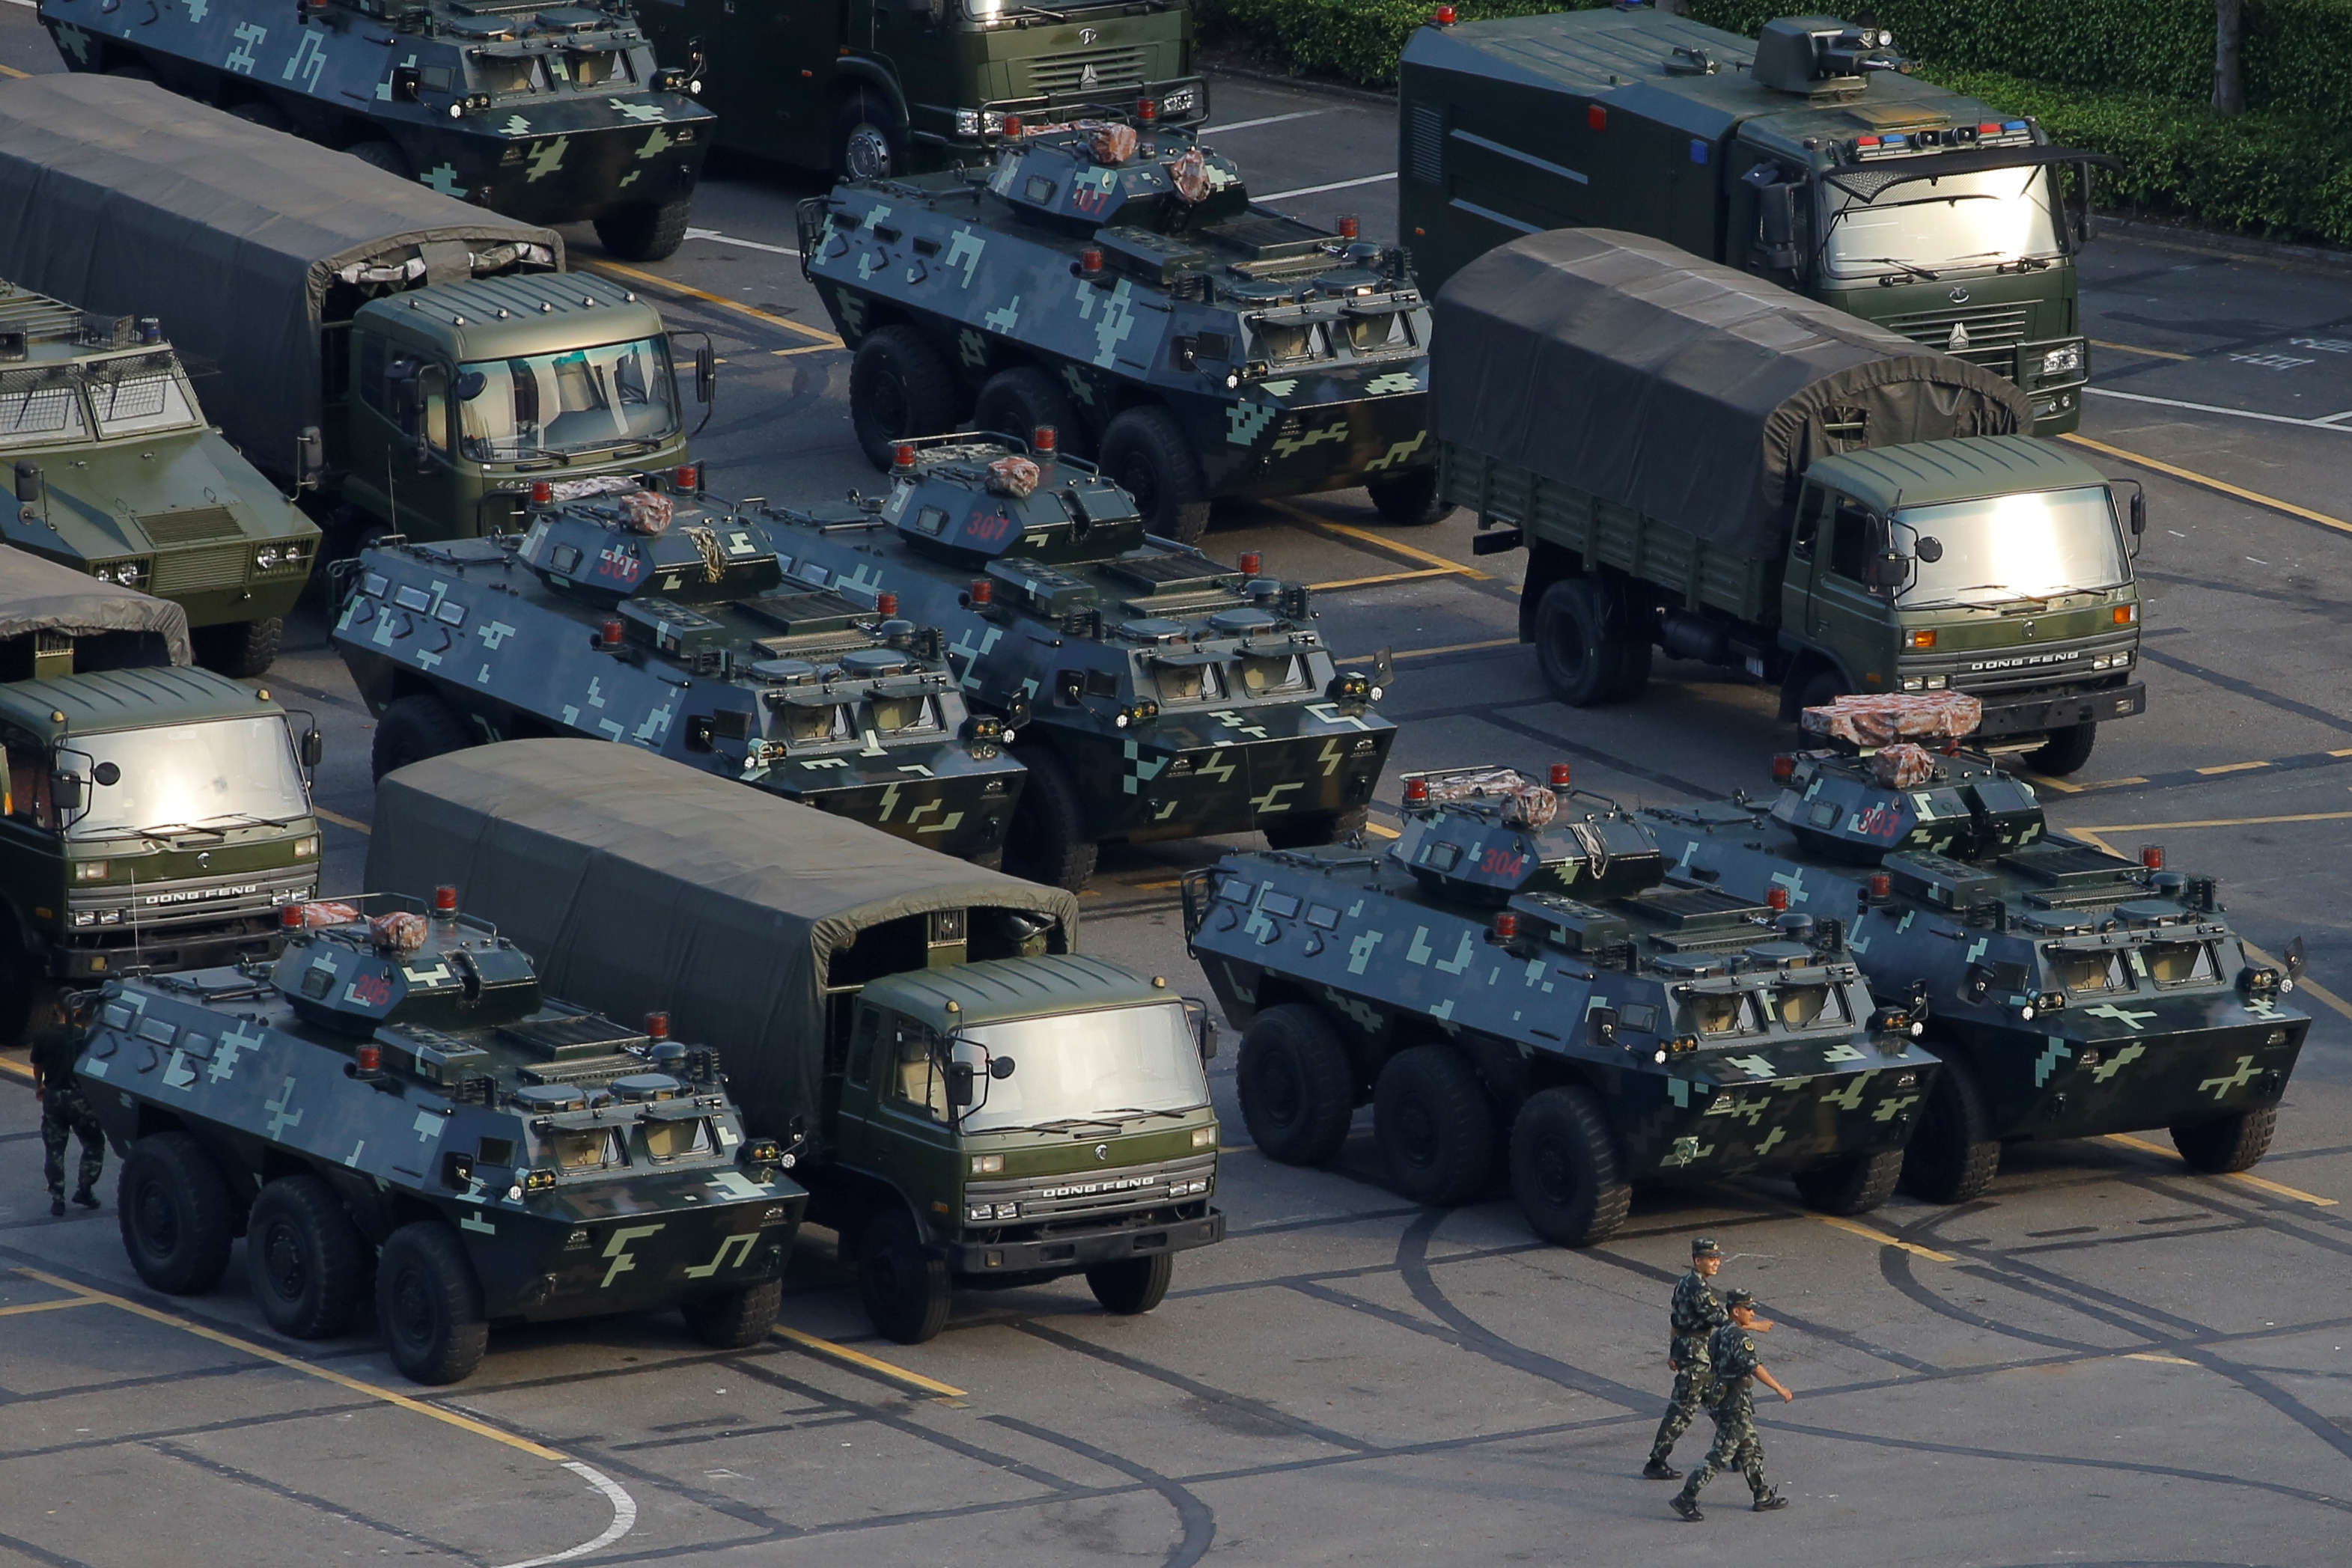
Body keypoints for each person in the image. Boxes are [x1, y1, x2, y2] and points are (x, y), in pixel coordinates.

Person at [1671, 1289, 1793, 1522]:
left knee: (1750, 1449)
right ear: (1736, 1311)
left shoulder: (1720, 1334)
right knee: (1720, 1455)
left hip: (1724, 1398)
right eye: (1748, 1309)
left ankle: (1762, 1495)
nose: (1752, 1313)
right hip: (1735, 1403)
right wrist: (1780, 1388)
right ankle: (1685, 1498)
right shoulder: (1739, 1338)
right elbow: (1754, 1367)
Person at [1643, 1236, 1727, 1479]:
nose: (1716, 1263)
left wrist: (1672, 1351)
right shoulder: (1697, 1287)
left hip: (1694, 1351)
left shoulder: (1684, 1283)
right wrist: (1754, 1324)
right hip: (1695, 1355)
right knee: (1682, 1411)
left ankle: (1736, 1451)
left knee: (1719, 1405)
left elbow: (1675, 1321)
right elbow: (1719, 1319)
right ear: (1697, 1260)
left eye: (1718, 1259)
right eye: (1711, 1259)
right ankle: (1656, 1462)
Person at [31, 1007, 103, 1218]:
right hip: (79, 1098)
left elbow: (37, 1065)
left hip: (53, 1097)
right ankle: (85, 1189)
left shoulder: (44, 1035)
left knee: (54, 1149)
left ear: (55, 1008)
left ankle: (57, 1198)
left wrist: (40, 1085)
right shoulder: (83, 1035)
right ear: (79, 1010)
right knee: (94, 1143)